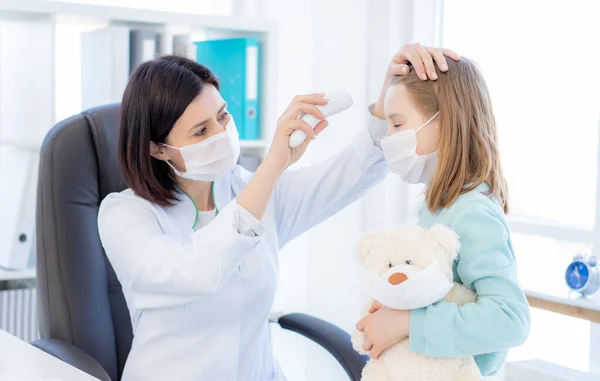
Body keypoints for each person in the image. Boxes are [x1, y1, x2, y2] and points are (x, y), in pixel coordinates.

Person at [97, 44, 459, 380]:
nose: (222, 133)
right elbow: (197, 272)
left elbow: (350, 174)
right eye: (200, 131)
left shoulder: (251, 191)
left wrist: (386, 107)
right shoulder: (124, 216)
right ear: (158, 150)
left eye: (222, 116)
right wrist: (273, 164)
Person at [356, 57, 531, 377]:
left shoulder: (471, 213)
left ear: (446, 122)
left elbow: (510, 319)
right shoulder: (438, 207)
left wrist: (407, 323)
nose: (388, 138)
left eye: (397, 124)